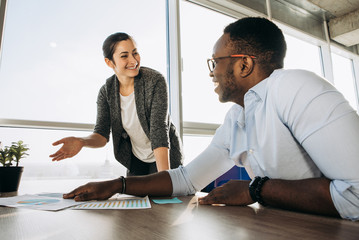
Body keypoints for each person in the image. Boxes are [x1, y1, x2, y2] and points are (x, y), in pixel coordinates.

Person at [62, 17, 359, 221]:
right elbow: (186, 179)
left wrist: (255, 189)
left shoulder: (296, 87)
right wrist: (117, 185)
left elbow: (355, 196)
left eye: (216, 61)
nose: (212, 71)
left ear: (244, 64)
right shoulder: (237, 118)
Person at [50, 32, 183, 176]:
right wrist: (82, 141)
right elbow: (101, 135)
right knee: (134, 196)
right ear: (109, 62)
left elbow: (159, 130)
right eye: (124, 56)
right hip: (136, 158)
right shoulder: (106, 92)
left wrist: (166, 180)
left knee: (162, 195)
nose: (133, 61)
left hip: (164, 154)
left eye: (135, 53)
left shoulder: (155, 81)